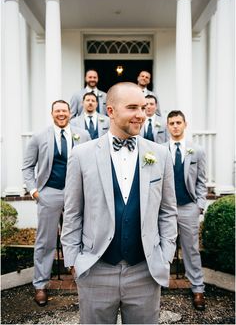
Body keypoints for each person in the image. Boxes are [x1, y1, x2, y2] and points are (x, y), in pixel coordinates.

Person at [61, 82, 178, 324]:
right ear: (111, 111)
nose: (141, 115)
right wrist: (73, 261)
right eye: (133, 107)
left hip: (144, 271)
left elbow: (167, 211)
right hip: (96, 269)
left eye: (144, 108)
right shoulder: (81, 155)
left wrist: (165, 255)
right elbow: (73, 212)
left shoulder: (160, 155)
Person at [22, 100, 90, 306]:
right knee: (45, 240)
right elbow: (27, 166)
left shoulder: (83, 135)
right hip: (49, 192)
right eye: (57, 111)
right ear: (52, 113)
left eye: (64, 110)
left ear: (70, 113)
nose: (61, 114)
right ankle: (40, 284)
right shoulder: (39, 137)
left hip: (77, 193)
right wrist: (35, 192)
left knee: (80, 236)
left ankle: (82, 277)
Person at [165, 110, 207, 311]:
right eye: (171, 123)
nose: (175, 126)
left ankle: (198, 288)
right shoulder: (160, 150)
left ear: (185, 124)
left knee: (191, 249)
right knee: (163, 247)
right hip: (165, 209)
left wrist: (199, 205)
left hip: (189, 207)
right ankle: (159, 283)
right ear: (167, 126)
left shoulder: (196, 150)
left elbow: (201, 180)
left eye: (178, 122)